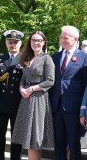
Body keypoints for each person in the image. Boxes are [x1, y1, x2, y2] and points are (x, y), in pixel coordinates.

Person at [49, 25, 87, 160]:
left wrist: (84, 109)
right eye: (61, 37)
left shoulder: (85, 57)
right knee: (58, 143)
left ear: (76, 39)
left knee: (74, 144)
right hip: (56, 106)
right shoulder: (54, 57)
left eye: (66, 38)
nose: (62, 40)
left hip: (74, 108)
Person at [12, 31, 55, 160]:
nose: (36, 43)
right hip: (26, 100)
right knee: (28, 137)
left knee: (35, 138)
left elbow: (50, 81)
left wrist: (31, 89)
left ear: (43, 42)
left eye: (39, 40)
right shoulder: (27, 58)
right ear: (29, 42)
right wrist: (21, 88)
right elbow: (23, 79)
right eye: (33, 40)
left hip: (39, 98)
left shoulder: (47, 58)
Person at [0, 29, 24, 160]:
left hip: (18, 105)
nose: (13, 45)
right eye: (10, 42)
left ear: (20, 44)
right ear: (6, 43)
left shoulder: (25, 59)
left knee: (16, 139)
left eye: (15, 42)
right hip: (0, 105)